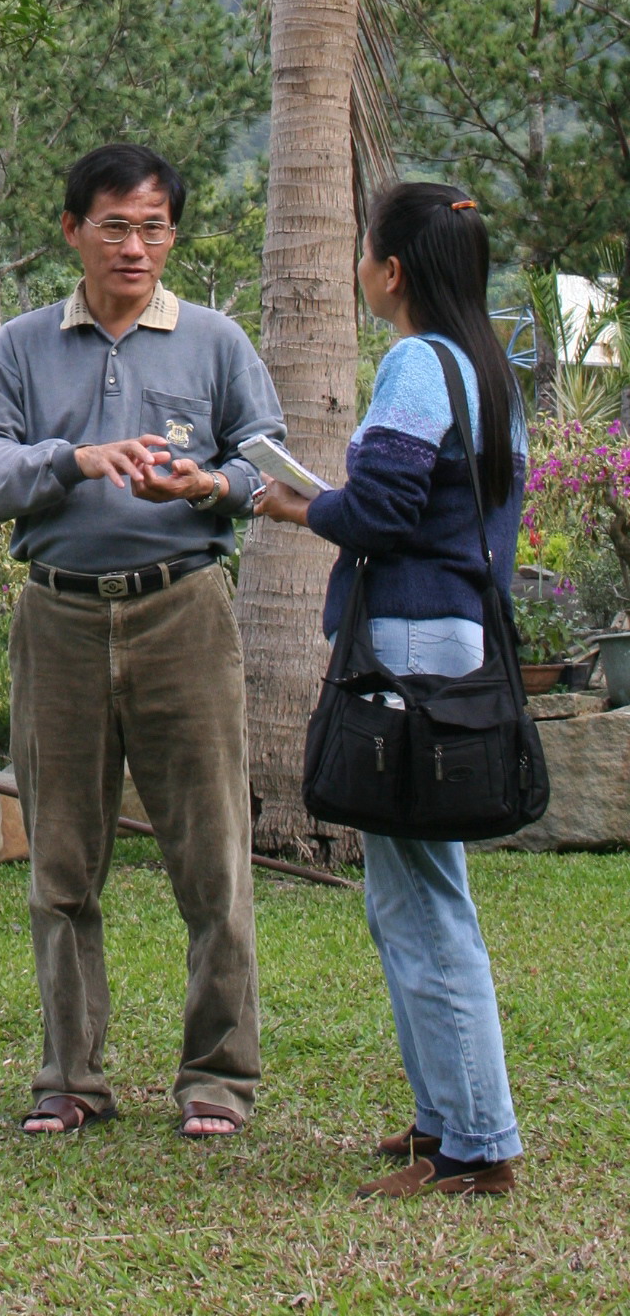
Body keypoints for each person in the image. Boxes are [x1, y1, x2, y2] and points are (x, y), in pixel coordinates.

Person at [0, 141, 285, 1141]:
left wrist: (207, 486)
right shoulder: (18, 346)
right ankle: (68, 1078)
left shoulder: (216, 342)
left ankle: (215, 1080)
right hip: (54, 614)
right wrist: (73, 460)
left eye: (151, 227)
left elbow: (265, 467)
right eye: (113, 226)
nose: (134, 247)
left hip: (182, 609)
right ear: (72, 233)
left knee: (212, 857)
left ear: (171, 235)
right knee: (60, 861)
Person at [256, 182, 526, 1200]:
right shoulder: (491, 369)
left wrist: (292, 502)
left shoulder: (415, 363)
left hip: (410, 645)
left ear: (391, 269)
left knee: (424, 904)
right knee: (402, 895)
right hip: (455, 638)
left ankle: (475, 1146)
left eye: (362, 250)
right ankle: (440, 1119)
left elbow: (379, 507)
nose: (356, 265)